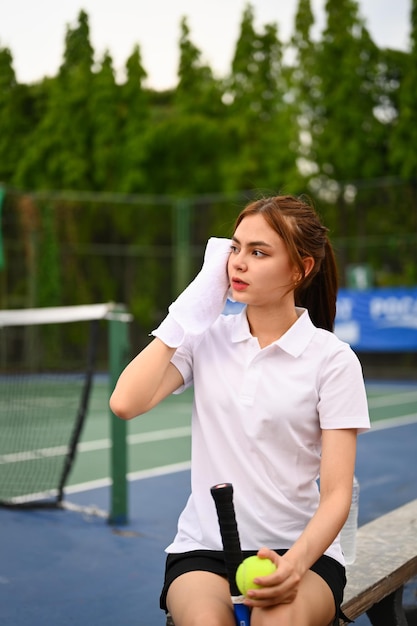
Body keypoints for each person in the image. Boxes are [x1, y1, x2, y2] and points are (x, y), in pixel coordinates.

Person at [110, 195, 370, 626]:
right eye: (235, 248)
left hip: (300, 550)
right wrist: (185, 315)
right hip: (203, 549)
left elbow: (337, 495)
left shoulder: (334, 359)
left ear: (301, 268)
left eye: (258, 252)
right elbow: (125, 403)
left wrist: (296, 564)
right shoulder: (202, 336)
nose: (238, 263)